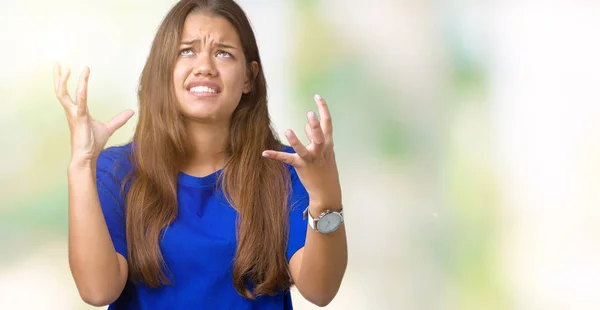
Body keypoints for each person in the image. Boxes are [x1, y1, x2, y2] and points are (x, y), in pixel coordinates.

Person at [52, 0, 347, 309]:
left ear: (249, 77)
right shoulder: (116, 170)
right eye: (187, 51)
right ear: (164, 69)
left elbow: (320, 291)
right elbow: (98, 291)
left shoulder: (286, 169)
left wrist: (326, 200)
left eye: (223, 53)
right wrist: (81, 165)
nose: (204, 66)